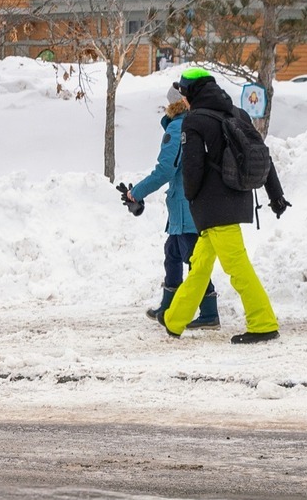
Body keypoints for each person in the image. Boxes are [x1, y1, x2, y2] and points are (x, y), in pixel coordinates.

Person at [159, 67, 291, 344]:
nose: (182, 100)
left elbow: (192, 168)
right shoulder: (237, 114)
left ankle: (263, 322)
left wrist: (192, 198)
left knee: (237, 266)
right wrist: (275, 195)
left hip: (212, 206)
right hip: (239, 197)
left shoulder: (194, 120)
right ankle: (175, 319)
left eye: (183, 93)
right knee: (201, 264)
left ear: (191, 93)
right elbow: (261, 156)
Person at [123, 90, 218, 329]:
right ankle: (168, 306)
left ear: (174, 105)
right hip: (185, 205)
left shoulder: (178, 129)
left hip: (187, 207)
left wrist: (137, 192)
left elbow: (165, 169)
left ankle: (209, 312)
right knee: (173, 253)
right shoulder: (194, 124)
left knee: (192, 259)